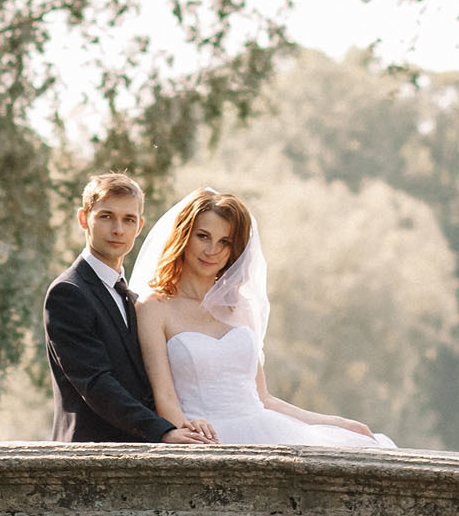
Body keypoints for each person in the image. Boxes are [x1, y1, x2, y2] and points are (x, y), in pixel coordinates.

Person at [133, 186, 399, 450]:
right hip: (204, 434)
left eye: (224, 241)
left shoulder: (240, 307)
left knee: (364, 445)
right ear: (184, 236)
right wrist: (185, 431)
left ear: (234, 249)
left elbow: (263, 398)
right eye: (203, 236)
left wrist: (335, 422)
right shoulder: (154, 307)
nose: (212, 250)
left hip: (263, 427)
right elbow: (164, 397)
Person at [44, 173, 216, 444]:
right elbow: (95, 383)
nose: (118, 230)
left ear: (139, 226)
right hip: (88, 455)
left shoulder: (132, 297)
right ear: (83, 219)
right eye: (106, 216)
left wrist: (182, 421)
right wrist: (162, 431)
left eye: (128, 220)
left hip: (136, 450)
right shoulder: (68, 293)